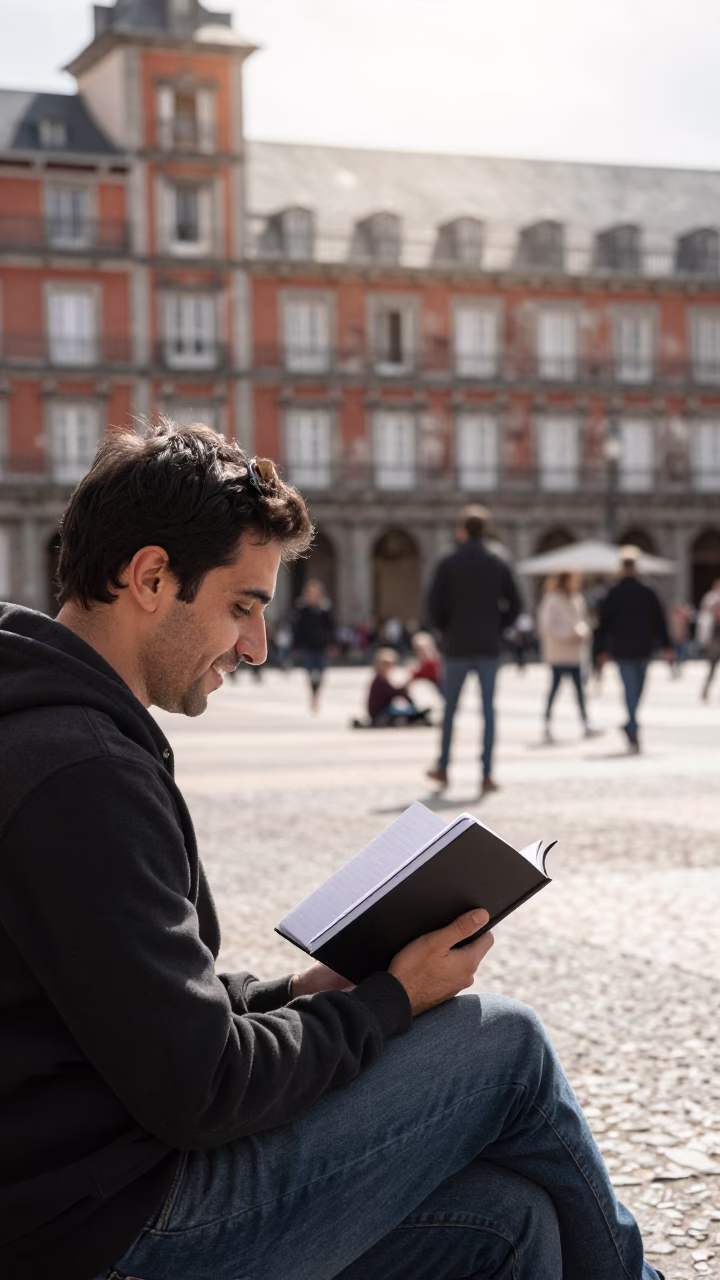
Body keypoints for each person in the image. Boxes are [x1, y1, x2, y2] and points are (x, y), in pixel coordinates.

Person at [0, 422, 662, 1280]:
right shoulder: (82, 772)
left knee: (509, 1222)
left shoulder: (47, 727)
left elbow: (129, 1010)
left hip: (72, 1196)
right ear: (151, 577)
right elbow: (203, 1089)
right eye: (242, 607)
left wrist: (296, 991)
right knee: (504, 1044)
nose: (256, 646)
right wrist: (389, 1000)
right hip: (103, 1235)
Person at [426, 505, 522, 795]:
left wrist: (447, 629)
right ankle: (487, 773)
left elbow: (433, 605)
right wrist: (498, 627)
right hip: (488, 645)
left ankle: (443, 767)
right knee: (488, 711)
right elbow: (516, 604)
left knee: (450, 709)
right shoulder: (499, 560)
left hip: (456, 645)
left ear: (462, 530)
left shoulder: (449, 561)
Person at [595, 545, 672, 753]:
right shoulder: (648, 591)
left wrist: (600, 650)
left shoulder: (613, 592)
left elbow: (602, 625)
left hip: (622, 648)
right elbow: (660, 621)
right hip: (643, 647)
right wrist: (667, 646)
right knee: (635, 689)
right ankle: (633, 728)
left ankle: (631, 723)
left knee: (632, 689)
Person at [537, 572, 600, 743]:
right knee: (554, 690)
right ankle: (547, 724)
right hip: (558, 653)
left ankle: (585, 723)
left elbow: (583, 620)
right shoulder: (552, 600)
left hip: (575, 653)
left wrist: (582, 632)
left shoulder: (576, 598)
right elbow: (547, 625)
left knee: (580, 691)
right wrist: (568, 634)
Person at [292, 576, 335, 711]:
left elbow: (330, 628)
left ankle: (316, 696)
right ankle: (313, 695)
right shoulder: (302, 610)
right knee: (310, 673)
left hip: (321, 646)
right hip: (307, 646)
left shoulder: (324, 610)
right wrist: (296, 647)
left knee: (321, 673)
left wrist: (332, 644)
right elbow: (297, 629)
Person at [360, 647, 430, 727]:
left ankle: (414, 713)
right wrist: (403, 689)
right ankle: (415, 715)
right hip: (380, 713)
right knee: (400, 711)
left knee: (401, 708)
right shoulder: (379, 680)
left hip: (384, 709)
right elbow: (392, 692)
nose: (389, 667)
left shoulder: (382, 678)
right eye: (386, 665)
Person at [697, 580, 720, 701]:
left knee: (712, 667)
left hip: (714, 636)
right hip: (714, 636)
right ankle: (706, 689)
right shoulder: (711, 599)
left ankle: (706, 689)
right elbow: (705, 620)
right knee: (712, 666)